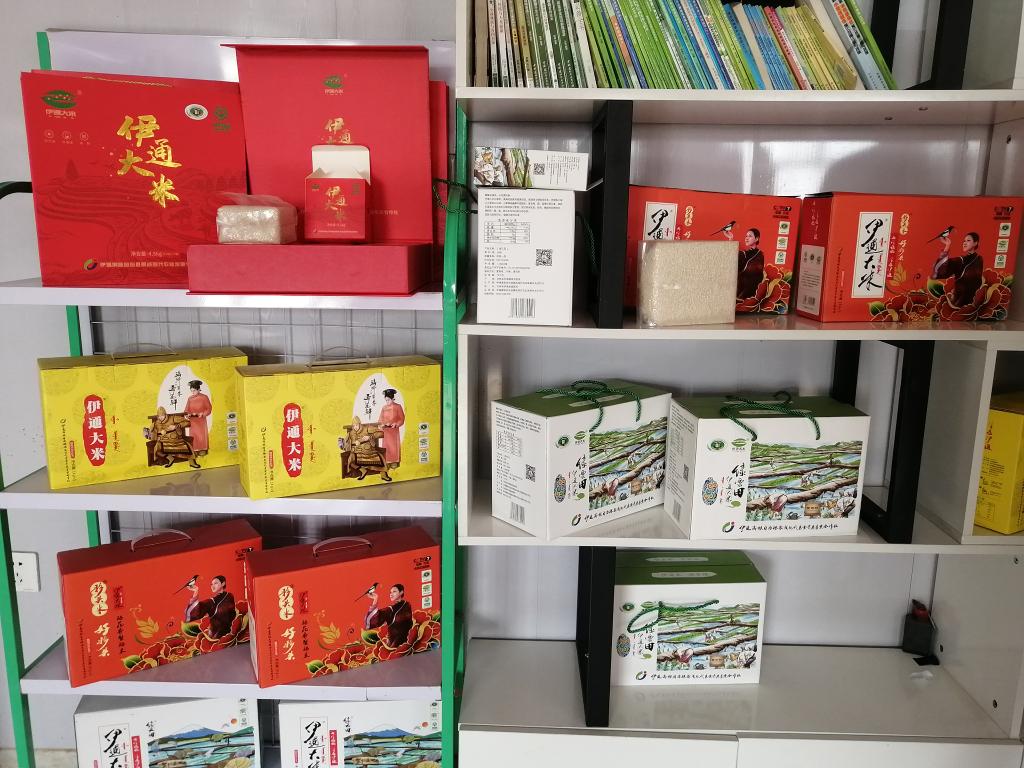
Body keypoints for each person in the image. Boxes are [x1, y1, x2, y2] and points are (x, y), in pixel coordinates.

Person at [933, 231, 984, 308]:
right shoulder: (961, 260)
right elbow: (940, 270)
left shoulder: (979, 259)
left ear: (975, 243)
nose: (964, 243)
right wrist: (947, 245)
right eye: (964, 241)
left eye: (968, 240)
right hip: (960, 303)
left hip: (974, 303)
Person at [343, 416, 390, 481]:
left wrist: (370, 437)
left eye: (356, 425)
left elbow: (381, 433)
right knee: (350, 460)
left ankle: (383, 475)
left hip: (368, 451)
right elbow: (349, 442)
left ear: (360, 424)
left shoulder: (367, 428)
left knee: (380, 458)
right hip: (357, 451)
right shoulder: (351, 433)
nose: (355, 427)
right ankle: (363, 471)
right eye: (354, 426)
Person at [378, 388, 405, 471]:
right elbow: (380, 419)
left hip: (394, 431)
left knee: (394, 447)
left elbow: (401, 419)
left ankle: (394, 462)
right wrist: (381, 425)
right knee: (386, 447)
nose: (387, 402)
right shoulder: (384, 408)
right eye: (386, 400)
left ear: (393, 399)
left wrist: (396, 424)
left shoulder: (398, 407)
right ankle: (387, 462)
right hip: (386, 432)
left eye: (389, 400)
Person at [184, 380, 212, 456]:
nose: (193, 392)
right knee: (194, 435)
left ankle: (202, 449)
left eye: (194, 390)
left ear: (199, 389)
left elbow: (209, 409)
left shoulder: (204, 397)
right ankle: (195, 450)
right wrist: (187, 414)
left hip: (201, 420)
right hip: (193, 421)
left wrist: (202, 414)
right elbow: (186, 410)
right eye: (191, 391)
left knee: (201, 436)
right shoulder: (190, 398)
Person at [737, 228, 765, 301]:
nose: (746, 238)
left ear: (756, 239)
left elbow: (756, 275)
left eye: (750, 236)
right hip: (741, 288)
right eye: (746, 236)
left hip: (750, 291)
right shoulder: (745, 253)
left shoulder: (759, 255)